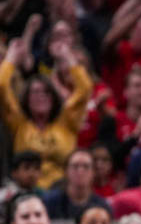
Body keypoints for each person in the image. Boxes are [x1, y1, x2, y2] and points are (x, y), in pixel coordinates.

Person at [0, 38, 93, 189]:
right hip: (26, 192)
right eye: (35, 93)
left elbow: (85, 89)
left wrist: (67, 56)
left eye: (46, 92)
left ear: (54, 98)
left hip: (62, 192)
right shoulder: (19, 123)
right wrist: (11, 58)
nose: (41, 96)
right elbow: (2, 86)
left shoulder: (67, 122)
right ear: (26, 99)